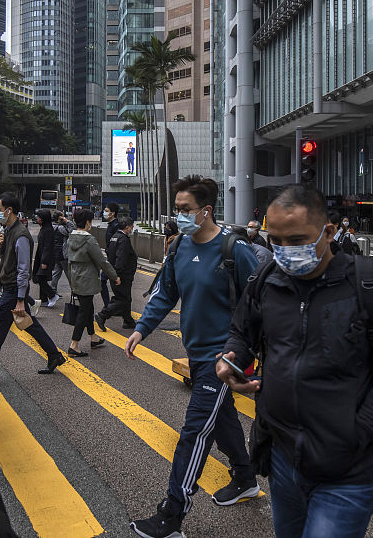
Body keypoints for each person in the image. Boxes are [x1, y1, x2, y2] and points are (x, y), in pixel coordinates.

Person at [220, 185, 373, 538]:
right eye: (276, 241)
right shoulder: (267, 281)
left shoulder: (372, 286)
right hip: (281, 456)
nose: (284, 251)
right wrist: (232, 358)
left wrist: (358, 433)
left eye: (296, 239)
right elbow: (241, 331)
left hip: (347, 467)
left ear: (328, 232)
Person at [126, 176, 260, 538]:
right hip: (196, 352)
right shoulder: (180, 247)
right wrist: (141, 329)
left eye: (186, 209)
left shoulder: (235, 250)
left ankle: (172, 516)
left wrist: (250, 351)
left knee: (195, 432)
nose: (180, 216)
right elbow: (166, 293)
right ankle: (246, 478)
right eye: (177, 209)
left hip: (224, 358)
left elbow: (261, 302)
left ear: (206, 210)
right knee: (223, 418)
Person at [0, 193, 66, 384]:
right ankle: (54, 355)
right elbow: (8, 260)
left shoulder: (21, 235)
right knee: (30, 325)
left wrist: (21, 298)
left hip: (14, 289)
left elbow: (23, 269)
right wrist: (0, 247)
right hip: (10, 287)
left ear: (9, 210)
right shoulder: (8, 231)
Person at [66, 209, 119, 357]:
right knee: (84, 311)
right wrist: (114, 276)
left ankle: (93, 337)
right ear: (88, 222)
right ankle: (74, 345)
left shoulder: (71, 237)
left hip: (75, 277)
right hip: (87, 278)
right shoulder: (89, 240)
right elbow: (102, 260)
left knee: (87, 307)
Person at [98, 216, 137, 331]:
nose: (132, 229)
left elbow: (110, 254)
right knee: (122, 299)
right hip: (122, 275)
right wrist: (117, 275)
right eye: (131, 227)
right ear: (126, 227)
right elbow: (121, 258)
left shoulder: (114, 237)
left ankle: (128, 320)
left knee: (126, 298)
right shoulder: (123, 239)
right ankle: (102, 315)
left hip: (116, 273)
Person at [33, 209, 58, 307]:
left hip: (45, 259)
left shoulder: (48, 230)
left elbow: (47, 247)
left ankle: (52, 295)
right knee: (41, 277)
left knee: (40, 278)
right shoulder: (44, 228)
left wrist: (44, 261)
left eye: (39, 217)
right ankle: (43, 300)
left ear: (43, 219)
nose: (37, 219)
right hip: (41, 257)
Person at [99, 203, 121, 313]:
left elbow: (117, 244)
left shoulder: (115, 226)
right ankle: (110, 306)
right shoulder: (111, 224)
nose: (104, 212)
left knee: (105, 281)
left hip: (113, 260)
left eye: (106, 211)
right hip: (110, 258)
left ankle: (110, 307)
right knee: (108, 282)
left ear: (112, 213)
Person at [50, 211, 72, 295]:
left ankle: (53, 291)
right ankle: (75, 292)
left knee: (56, 273)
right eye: (63, 217)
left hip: (56, 254)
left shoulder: (52, 227)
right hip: (63, 254)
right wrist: (67, 221)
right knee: (69, 275)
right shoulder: (61, 228)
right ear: (60, 218)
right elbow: (71, 231)